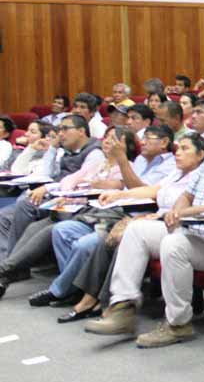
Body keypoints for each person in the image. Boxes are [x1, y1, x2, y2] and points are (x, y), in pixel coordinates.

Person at [84, 104, 204, 347]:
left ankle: (178, 324)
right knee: (136, 230)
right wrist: (177, 210)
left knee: (175, 244)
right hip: (192, 233)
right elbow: (188, 194)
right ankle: (123, 308)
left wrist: (185, 212)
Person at [47, 132, 204, 322]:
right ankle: (91, 299)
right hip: (156, 219)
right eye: (179, 148)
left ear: (200, 155)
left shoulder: (200, 177)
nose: (178, 153)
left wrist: (151, 217)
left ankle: (102, 302)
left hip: (175, 224)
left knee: (125, 238)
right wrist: (120, 195)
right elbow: (153, 190)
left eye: (185, 149)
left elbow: (185, 207)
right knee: (105, 240)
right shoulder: (176, 173)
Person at [0, 127, 137, 299]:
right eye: (107, 137)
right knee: (36, 226)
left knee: (51, 228)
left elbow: (113, 185)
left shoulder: (127, 167)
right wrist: (74, 189)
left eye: (114, 139)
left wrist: (81, 186)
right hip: (75, 209)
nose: (108, 141)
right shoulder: (98, 164)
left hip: (97, 215)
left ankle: (5, 271)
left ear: (127, 146)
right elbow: (68, 181)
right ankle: (5, 273)